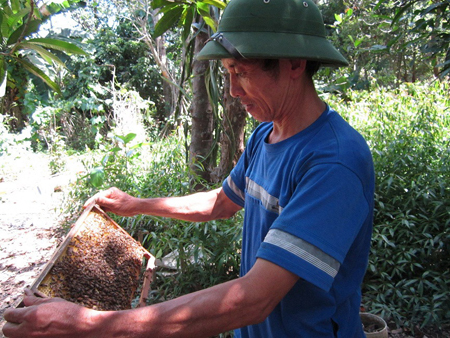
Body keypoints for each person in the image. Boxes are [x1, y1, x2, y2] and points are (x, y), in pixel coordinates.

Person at [2, 0, 375, 337]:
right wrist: (137, 204)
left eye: (241, 72)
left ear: (295, 63)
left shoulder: (334, 162)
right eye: (227, 73)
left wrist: (89, 324)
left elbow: (253, 299)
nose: (232, 90)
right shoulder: (266, 136)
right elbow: (220, 203)